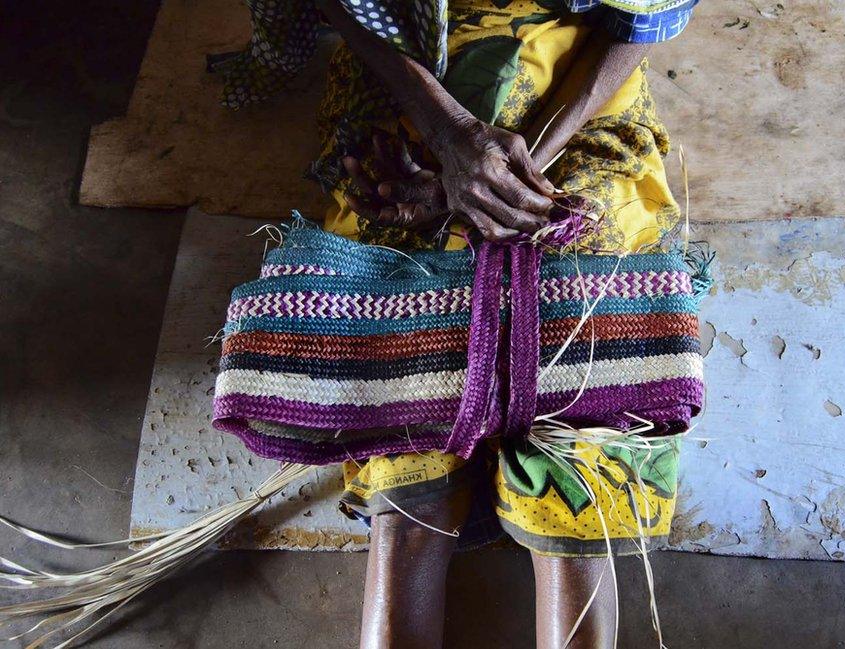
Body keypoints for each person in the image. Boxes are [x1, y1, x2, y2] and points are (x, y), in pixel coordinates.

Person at [217, 1, 699, 647]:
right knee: (409, 475)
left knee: (580, 440)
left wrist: (502, 178)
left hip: (575, 86)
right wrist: (446, 135)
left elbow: (638, 20)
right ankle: (411, 496)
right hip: (410, 69)